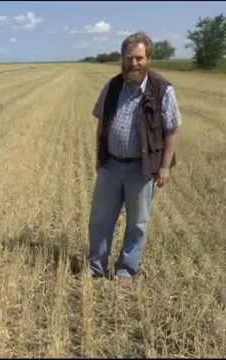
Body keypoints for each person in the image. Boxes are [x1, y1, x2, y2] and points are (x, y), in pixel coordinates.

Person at [89, 32, 181, 288]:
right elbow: (101, 124)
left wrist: (164, 167)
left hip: (142, 169)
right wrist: (99, 158)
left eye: (139, 58)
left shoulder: (162, 89)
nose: (134, 63)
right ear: (122, 59)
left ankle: (126, 270)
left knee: (137, 223)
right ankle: (96, 267)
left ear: (148, 59)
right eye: (129, 58)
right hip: (111, 165)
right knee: (100, 219)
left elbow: (172, 130)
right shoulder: (112, 86)